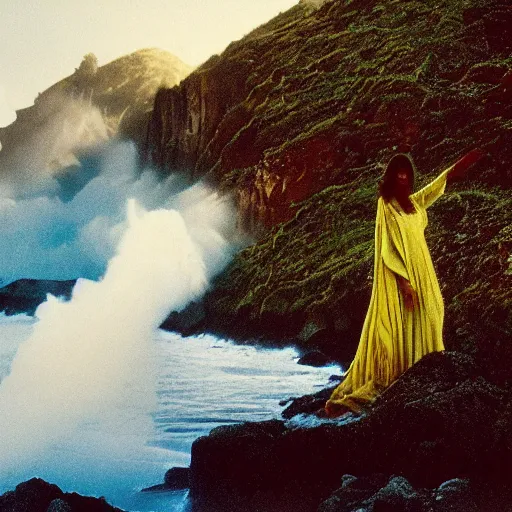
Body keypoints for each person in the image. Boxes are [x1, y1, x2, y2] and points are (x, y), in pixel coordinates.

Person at [324, 149, 484, 417]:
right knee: (403, 321)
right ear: (390, 176)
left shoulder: (414, 204)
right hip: (404, 275)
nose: (401, 176)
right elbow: (388, 247)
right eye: (397, 172)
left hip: (424, 270)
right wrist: (404, 283)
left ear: (410, 176)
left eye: (405, 172)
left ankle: (423, 369)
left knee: (433, 311)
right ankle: (403, 375)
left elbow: (439, 184)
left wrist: (465, 162)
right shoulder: (386, 205)